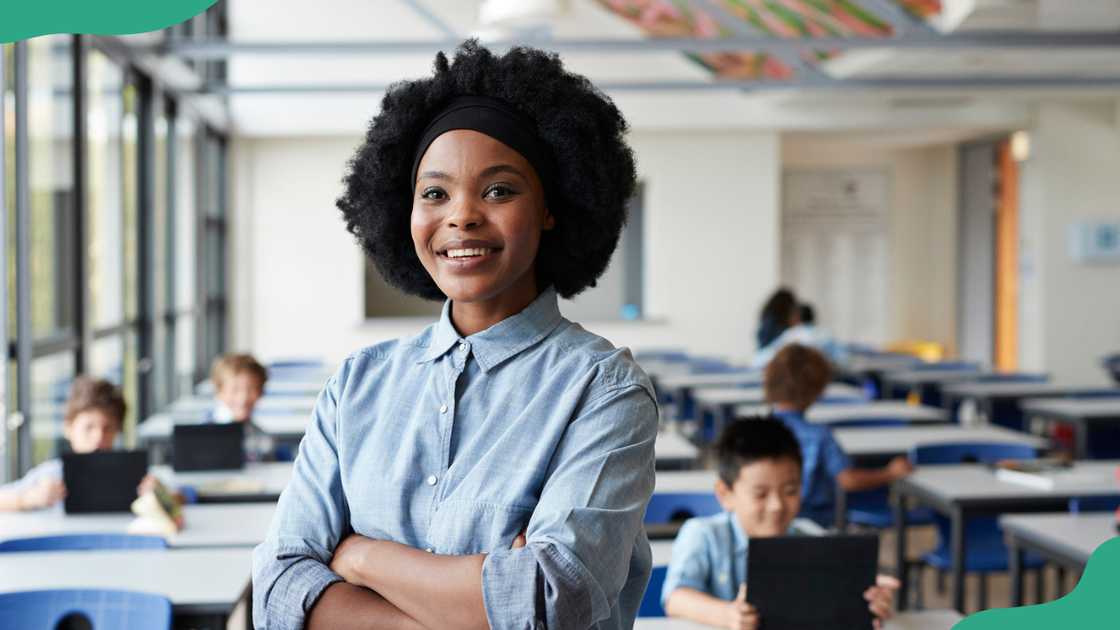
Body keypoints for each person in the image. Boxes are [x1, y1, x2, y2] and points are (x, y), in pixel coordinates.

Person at [252, 41, 657, 630]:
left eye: (499, 190)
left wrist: (360, 555)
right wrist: (476, 599)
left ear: (551, 206)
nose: (462, 215)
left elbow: (548, 602)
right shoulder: (357, 384)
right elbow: (278, 590)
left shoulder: (605, 389)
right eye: (435, 193)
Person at [662, 418, 898, 630]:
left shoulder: (813, 542)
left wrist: (860, 598)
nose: (777, 505)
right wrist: (728, 615)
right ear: (725, 494)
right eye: (761, 494)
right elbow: (676, 598)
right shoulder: (703, 535)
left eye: (790, 490)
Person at [764, 344, 912, 526]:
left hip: (771, 520)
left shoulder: (758, 429)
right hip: (815, 522)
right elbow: (847, 480)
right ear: (817, 390)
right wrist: (889, 473)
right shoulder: (819, 435)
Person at [0, 377, 125, 511]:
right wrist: (30, 498)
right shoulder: (52, 474)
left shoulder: (134, 478)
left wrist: (150, 495)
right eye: (89, 427)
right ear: (69, 428)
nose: (99, 437)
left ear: (117, 430)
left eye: (107, 428)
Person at [750, 301, 847, 369]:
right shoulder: (826, 334)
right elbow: (843, 360)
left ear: (796, 318)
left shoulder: (792, 336)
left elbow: (760, 361)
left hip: (797, 386)